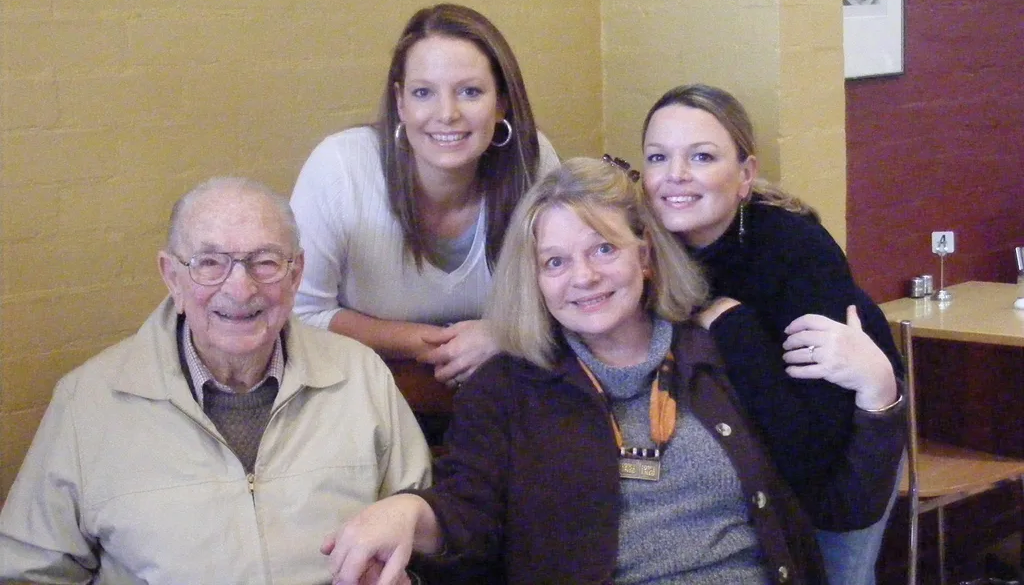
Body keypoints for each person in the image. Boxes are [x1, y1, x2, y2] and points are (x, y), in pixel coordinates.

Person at [322, 158, 903, 585]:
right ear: (535, 279)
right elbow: (468, 517)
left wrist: (879, 395)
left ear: (645, 255)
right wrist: (407, 511)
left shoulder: (721, 351)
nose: (584, 277)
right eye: (555, 261)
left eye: (603, 249)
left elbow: (840, 505)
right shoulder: (508, 387)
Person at [0, 177, 431, 585]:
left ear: (296, 273)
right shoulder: (89, 402)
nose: (240, 289)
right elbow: (30, 573)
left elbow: (430, 537)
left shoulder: (360, 376)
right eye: (210, 263)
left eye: (265, 262)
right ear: (172, 277)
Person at [641, 84, 905, 585]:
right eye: (658, 157)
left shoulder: (795, 251)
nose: (675, 175)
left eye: (701, 156)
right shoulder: (645, 249)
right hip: (750, 467)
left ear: (745, 176)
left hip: (847, 456)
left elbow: (811, 451)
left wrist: (730, 326)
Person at [290, 4, 558, 428]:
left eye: (470, 91)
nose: (446, 113)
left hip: (505, 399)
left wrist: (502, 334)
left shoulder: (534, 162)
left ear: (502, 103)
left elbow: (571, 293)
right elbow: (300, 313)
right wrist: (424, 344)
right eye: (423, 92)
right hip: (360, 399)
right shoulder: (340, 168)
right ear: (399, 102)